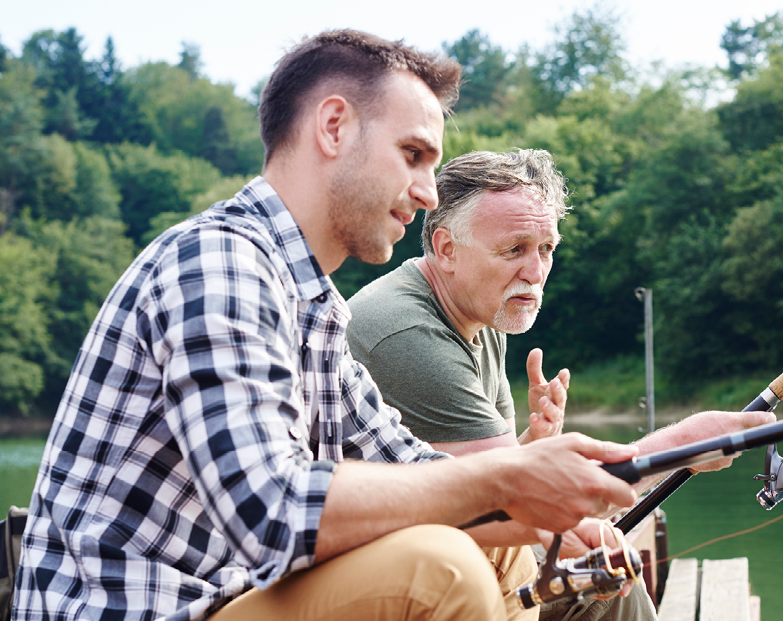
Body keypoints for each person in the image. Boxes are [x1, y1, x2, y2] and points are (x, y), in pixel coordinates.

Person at [11, 31, 644, 621]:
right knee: (442, 570)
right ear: (334, 127)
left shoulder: (313, 305)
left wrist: (553, 513)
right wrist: (509, 478)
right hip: (142, 609)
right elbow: (271, 511)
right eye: (413, 155)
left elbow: (409, 464)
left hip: (229, 597)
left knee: (499, 545)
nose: (428, 192)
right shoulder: (219, 262)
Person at [345, 149, 777, 620]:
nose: (534, 273)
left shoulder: (481, 310)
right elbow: (511, 499)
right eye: (514, 249)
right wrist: (681, 446)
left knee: (606, 579)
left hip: (447, 548)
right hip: (390, 581)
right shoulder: (411, 335)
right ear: (447, 249)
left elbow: (475, 476)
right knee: (605, 589)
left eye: (546, 249)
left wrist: (534, 444)